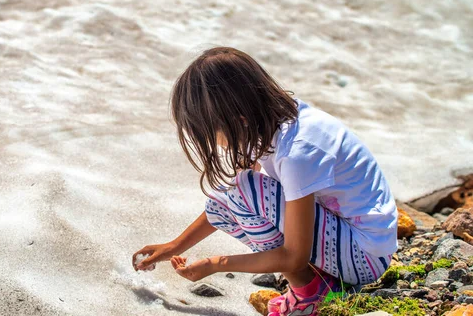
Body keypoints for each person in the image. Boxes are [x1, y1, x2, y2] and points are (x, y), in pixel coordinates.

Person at [132, 47, 398, 316]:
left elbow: (294, 255)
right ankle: (318, 281)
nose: (214, 143)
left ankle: (311, 292)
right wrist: (174, 246)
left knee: (244, 188)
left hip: (365, 257)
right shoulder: (267, 123)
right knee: (221, 204)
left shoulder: (297, 150)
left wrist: (215, 264)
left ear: (239, 121)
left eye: (210, 133)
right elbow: (227, 200)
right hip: (345, 241)